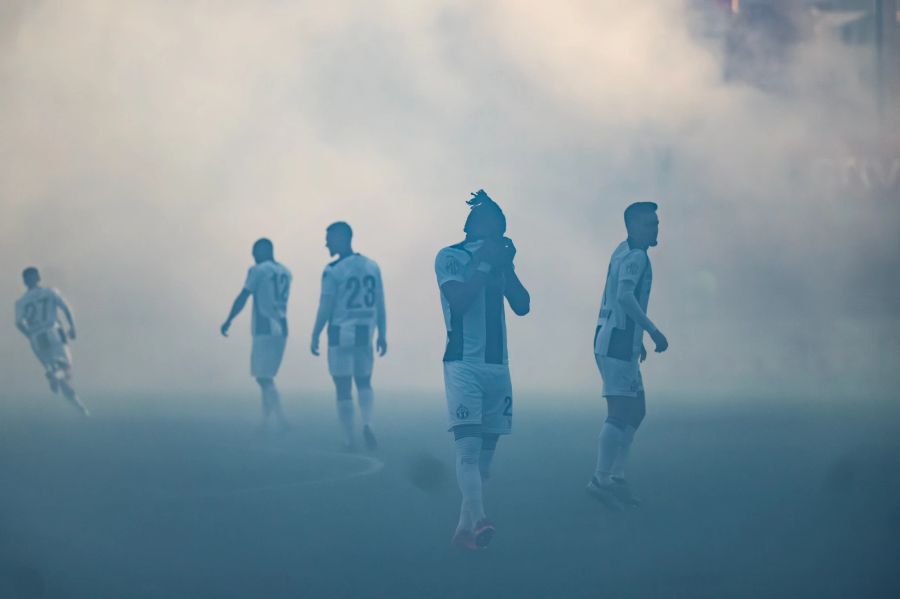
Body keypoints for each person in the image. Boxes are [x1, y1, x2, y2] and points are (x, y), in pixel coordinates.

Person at [435, 190, 530, 550]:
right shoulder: (450, 257)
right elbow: (458, 304)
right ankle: (480, 520)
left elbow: (522, 306)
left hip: (497, 366)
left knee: (485, 461)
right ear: (473, 227)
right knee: (469, 451)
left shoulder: (499, 261)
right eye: (492, 225)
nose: (498, 233)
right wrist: (486, 265)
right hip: (464, 364)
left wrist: (507, 267)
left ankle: (464, 530)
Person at [588, 202, 668, 509]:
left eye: (656, 223)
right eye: (650, 224)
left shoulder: (622, 250)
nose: (656, 229)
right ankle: (600, 480)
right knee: (620, 412)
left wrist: (638, 338)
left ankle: (616, 477)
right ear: (633, 226)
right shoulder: (636, 257)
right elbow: (623, 296)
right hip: (616, 344)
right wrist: (652, 330)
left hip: (619, 340)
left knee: (637, 411)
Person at [311, 222, 387, 450]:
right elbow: (380, 303)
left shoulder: (332, 270)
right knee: (364, 381)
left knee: (343, 385)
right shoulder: (372, 266)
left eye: (329, 238)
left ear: (343, 238)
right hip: (365, 331)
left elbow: (325, 306)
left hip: (339, 332)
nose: (326, 243)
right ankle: (368, 423)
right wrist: (382, 333)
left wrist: (315, 333)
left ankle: (348, 438)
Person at [221, 238, 292, 432]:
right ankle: (265, 421)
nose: (252, 256)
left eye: (254, 252)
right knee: (266, 376)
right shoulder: (286, 272)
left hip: (264, 327)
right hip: (282, 327)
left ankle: (280, 419)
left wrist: (229, 319)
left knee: (263, 377)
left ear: (262, 251)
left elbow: (244, 296)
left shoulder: (258, 270)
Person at [14, 267, 89, 415]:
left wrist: (29, 335)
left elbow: (18, 323)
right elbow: (66, 308)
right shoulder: (50, 292)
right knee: (66, 369)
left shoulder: (21, 302)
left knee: (58, 374)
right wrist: (72, 327)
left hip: (36, 337)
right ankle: (56, 377)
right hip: (53, 331)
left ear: (24, 282)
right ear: (38, 278)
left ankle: (80, 408)